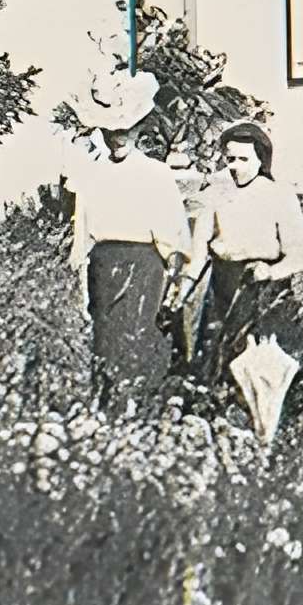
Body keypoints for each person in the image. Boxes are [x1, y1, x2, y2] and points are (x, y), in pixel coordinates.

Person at [184, 121, 303, 442]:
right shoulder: (214, 198)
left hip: (267, 293)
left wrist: (270, 271)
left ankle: (281, 439)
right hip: (223, 291)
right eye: (230, 159)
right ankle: (222, 441)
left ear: (261, 160)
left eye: (243, 159)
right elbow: (196, 258)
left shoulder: (279, 197)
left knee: (278, 373)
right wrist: (177, 296)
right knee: (215, 370)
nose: (234, 167)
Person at [67, 87, 188, 411]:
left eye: (125, 130)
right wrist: (81, 273)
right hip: (103, 266)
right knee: (105, 339)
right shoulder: (91, 173)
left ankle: (141, 409)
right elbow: (83, 232)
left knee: (138, 335)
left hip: (144, 264)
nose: (118, 137)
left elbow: (174, 231)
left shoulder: (156, 173)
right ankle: (108, 410)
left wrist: (175, 275)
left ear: (138, 129)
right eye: (110, 131)